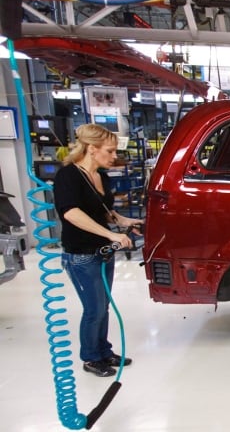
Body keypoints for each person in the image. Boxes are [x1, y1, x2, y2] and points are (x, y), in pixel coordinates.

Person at [53, 124, 143, 378]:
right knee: (93, 309)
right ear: (92, 149)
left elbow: (101, 209)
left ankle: (104, 351)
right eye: (110, 151)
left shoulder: (100, 176)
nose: (114, 156)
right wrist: (110, 234)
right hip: (81, 254)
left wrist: (122, 221)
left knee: (103, 306)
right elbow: (71, 213)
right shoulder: (68, 176)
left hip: (102, 252)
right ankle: (91, 358)